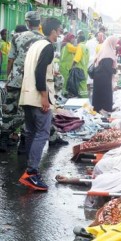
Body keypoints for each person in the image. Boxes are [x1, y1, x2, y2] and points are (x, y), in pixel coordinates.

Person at [18, 17, 62, 191]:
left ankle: (30, 170)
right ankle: (32, 172)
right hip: (38, 97)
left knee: (31, 132)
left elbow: (34, 69)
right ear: (53, 31)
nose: (59, 34)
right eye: (59, 31)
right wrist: (44, 96)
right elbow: (39, 71)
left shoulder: (35, 45)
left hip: (27, 96)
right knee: (42, 133)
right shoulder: (48, 46)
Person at [1, 11, 44, 153]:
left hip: (15, 79)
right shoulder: (43, 40)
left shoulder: (16, 37)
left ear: (27, 22)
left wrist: (9, 77)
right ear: (39, 22)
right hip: (31, 83)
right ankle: (24, 144)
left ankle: (3, 140)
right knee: (27, 112)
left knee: (8, 110)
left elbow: (11, 60)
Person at [92, 36, 118, 113]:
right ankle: (105, 108)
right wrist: (114, 71)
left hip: (100, 76)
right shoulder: (108, 52)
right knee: (105, 93)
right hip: (103, 77)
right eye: (115, 42)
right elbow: (107, 66)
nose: (115, 44)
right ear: (111, 42)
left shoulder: (105, 50)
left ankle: (100, 108)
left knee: (101, 93)